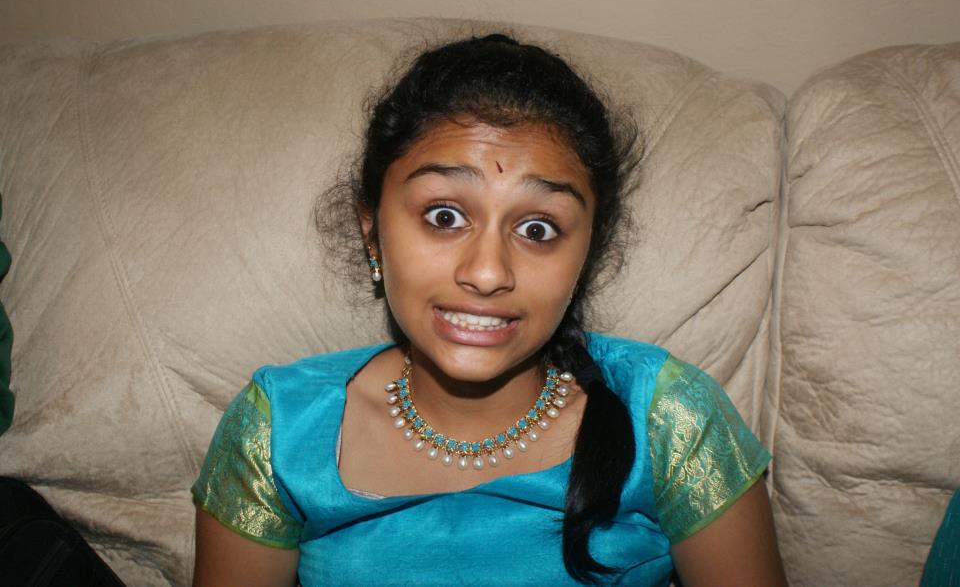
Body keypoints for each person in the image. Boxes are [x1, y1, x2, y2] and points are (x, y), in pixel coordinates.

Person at [191, 33, 788, 586]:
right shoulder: (279, 433)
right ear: (373, 232)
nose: (487, 273)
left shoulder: (668, 420)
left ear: (586, 252)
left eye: (537, 228)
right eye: (444, 216)